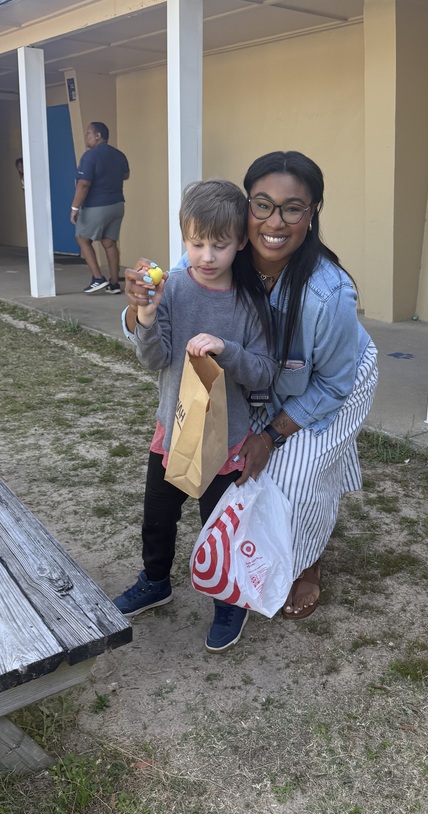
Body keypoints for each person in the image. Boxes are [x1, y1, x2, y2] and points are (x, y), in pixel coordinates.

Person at [126, 152, 378, 621]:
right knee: (263, 472)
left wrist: (272, 435)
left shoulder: (330, 292)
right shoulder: (213, 253)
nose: (274, 220)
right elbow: (164, 321)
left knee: (294, 478)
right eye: (262, 205)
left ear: (312, 213)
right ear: (246, 212)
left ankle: (307, 564)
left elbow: (332, 382)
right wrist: (137, 310)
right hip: (255, 381)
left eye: (292, 207)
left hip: (332, 378)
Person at [113, 179, 277, 652]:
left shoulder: (250, 302)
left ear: (241, 242)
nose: (206, 256)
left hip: (227, 441)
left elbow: (264, 373)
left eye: (219, 245)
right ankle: (155, 580)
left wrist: (226, 350)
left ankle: (229, 602)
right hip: (174, 429)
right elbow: (154, 359)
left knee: (219, 525)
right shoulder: (173, 289)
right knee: (158, 517)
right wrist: (145, 316)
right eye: (196, 243)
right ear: (184, 238)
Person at [70, 122, 130, 294]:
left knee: (82, 238)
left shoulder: (90, 156)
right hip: (117, 205)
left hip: (97, 205)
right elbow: (126, 175)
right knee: (109, 243)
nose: (85, 137)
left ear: (98, 136)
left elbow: (83, 184)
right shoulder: (119, 155)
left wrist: (75, 208)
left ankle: (97, 278)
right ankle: (113, 283)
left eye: (88, 133)